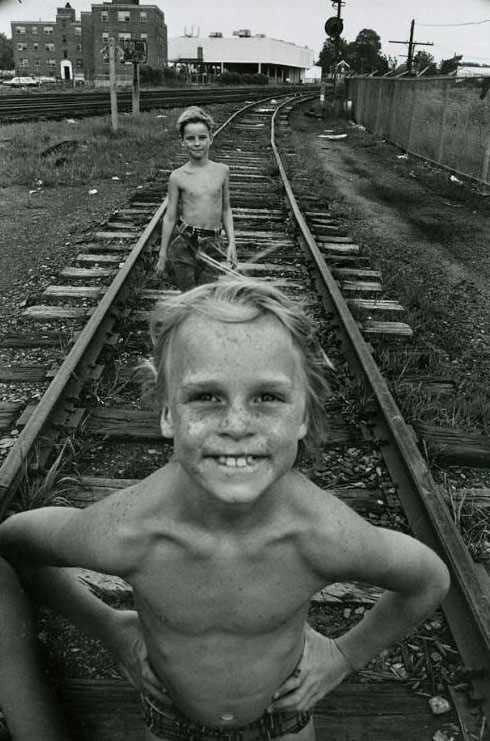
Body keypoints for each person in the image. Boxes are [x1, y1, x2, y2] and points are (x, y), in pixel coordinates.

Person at [0, 278, 450, 741]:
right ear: (168, 413)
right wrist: (111, 627)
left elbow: (427, 579)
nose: (237, 424)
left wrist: (344, 656)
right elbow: (16, 541)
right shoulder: (128, 531)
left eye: (268, 397)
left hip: (283, 713)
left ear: (303, 417)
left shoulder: (323, 535)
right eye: (206, 396)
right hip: (169, 712)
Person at [156, 106, 237, 291]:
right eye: (190, 138)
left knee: (205, 296)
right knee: (189, 297)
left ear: (211, 139)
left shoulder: (222, 171)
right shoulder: (177, 176)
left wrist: (232, 243)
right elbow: (170, 217)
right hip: (185, 244)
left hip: (213, 246)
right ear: (182, 142)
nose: (197, 143)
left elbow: (226, 209)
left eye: (202, 137)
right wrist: (162, 254)